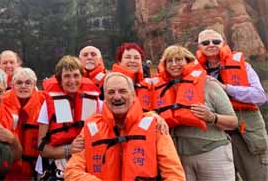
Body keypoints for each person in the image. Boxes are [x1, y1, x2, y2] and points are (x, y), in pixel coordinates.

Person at [65, 72, 185, 180]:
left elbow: (174, 174)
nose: (117, 97)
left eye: (123, 91)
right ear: (104, 98)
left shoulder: (156, 126)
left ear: (133, 95)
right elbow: (72, 171)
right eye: (111, 92)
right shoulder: (90, 129)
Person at [153, 45, 238, 180]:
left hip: (213, 153)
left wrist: (212, 117)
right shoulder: (159, 90)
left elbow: (234, 122)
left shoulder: (208, 84)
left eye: (179, 59)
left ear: (189, 62)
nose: (174, 64)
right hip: (181, 158)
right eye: (169, 61)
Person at [196, 29, 268, 180]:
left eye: (216, 41)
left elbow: (260, 96)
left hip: (247, 133)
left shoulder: (243, 66)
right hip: (216, 136)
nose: (211, 45)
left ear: (223, 44)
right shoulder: (195, 72)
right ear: (199, 47)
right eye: (205, 42)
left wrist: (226, 88)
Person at [37, 55, 101, 179]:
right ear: (59, 80)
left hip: (86, 165)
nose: (72, 80)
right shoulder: (48, 105)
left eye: (76, 75)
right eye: (66, 76)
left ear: (82, 77)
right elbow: (41, 148)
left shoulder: (97, 103)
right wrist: (69, 149)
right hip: (56, 167)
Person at [2, 68, 45, 180]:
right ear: (12, 84)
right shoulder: (2, 101)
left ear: (34, 84)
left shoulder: (44, 102)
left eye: (28, 83)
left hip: (35, 169)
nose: (23, 86)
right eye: (19, 83)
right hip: (9, 170)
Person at [111, 42, 155, 111]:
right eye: (128, 57)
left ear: (141, 62)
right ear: (119, 61)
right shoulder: (109, 84)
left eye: (136, 58)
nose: (132, 61)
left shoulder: (149, 84)